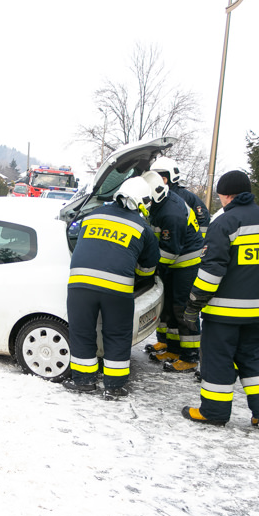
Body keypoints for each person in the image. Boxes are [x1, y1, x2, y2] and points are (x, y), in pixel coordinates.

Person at [181, 170, 259, 427]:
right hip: (258, 312)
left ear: (226, 195)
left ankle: (214, 412)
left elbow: (212, 270)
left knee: (218, 360)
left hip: (224, 314)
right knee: (253, 359)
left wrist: (194, 304)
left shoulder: (225, 223)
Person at [63, 175, 159, 399]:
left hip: (80, 286)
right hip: (117, 291)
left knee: (82, 332)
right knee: (117, 335)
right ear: (142, 201)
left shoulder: (91, 216)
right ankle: (114, 387)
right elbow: (148, 268)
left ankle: (84, 381)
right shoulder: (142, 228)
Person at [142, 170, 204, 373]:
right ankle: (173, 348)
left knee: (183, 308)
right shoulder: (161, 203)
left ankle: (190, 357)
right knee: (168, 306)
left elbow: (170, 251)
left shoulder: (171, 213)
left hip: (185, 263)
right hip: (173, 262)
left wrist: (151, 270)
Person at [151, 157, 210, 237]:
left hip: (182, 246)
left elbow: (203, 223)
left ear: (168, 178)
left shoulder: (187, 198)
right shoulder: (154, 197)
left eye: (161, 178)